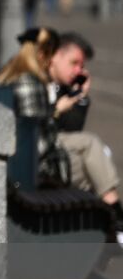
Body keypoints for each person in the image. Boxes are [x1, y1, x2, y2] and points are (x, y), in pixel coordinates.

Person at [48, 32, 121, 235]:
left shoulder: (63, 87)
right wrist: (55, 109)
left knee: (98, 157)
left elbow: (72, 130)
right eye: (74, 63)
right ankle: (116, 221)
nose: (78, 70)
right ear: (55, 56)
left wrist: (79, 97)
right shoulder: (38, 82)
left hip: (56, 154)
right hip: (39, 157)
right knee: (92, 147)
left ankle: (104, 227)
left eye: (81, 66)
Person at [0, 27, 75, 191]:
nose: (51, 62)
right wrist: (55, 114)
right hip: (31, 176)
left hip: (10, 166)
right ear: (41, 54)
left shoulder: (5, 75)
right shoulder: (30, 83)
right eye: (51, 56)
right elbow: (35, 142)